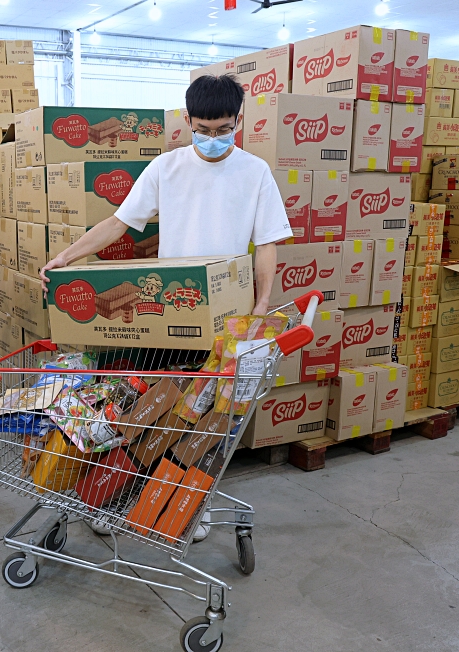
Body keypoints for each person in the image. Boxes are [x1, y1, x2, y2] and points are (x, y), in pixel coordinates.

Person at [40, 74, 294, 542]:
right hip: (165, 314)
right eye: (204, 129)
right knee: (140, 413)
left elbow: (267, 245)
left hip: (223, 320)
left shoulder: (255, 171)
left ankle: (191, 505)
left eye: (223, 129)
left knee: (202, 422)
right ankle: (120, 496)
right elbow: (120, 222)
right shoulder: (166, 168)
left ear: (239, 121)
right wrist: (68, 257)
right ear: (187, 121)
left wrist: (260, 307)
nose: (213, 139)